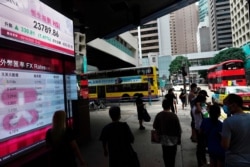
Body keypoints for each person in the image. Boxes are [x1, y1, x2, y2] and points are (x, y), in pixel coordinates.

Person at [221, 94, 250, 167]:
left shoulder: (228, 122)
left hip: (234, 162)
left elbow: (225, 145)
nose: (225, 107)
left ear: (234, 105)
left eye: (226, 105)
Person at [153, 99, 182, 167]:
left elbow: (154, 126)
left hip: (164, 139)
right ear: (170, 106)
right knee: (172, 156)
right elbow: (178, 130)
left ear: (162, 106)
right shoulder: (174, 116)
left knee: (165, 155)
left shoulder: (159, 115)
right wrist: (179, 140)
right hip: (173, 139)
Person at [192, 94, 208, 167]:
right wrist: (198, 104)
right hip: (199, 129)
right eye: (204, 101)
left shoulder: (202, 107)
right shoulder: (195, 108)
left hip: (204, 128)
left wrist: (206, 105)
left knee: (203, 147)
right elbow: (198, 111)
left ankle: (203, 161)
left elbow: (205, 114)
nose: (205, 102)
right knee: (200, 147)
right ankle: (200, 162)